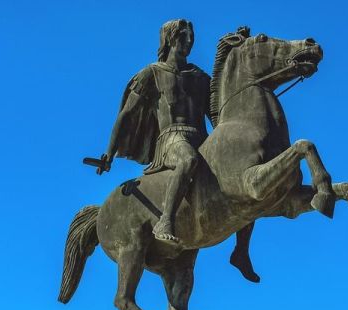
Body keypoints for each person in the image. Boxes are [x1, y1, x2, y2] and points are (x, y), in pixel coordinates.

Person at [99, 19, 259, 281]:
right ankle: (165, 221)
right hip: (172, 140)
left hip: (203, 139)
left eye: (191, 36)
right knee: (188, 160)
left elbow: (217, 112)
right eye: (183, 36)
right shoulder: (151, 74)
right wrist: (109, 153)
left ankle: (241, 251)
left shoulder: (199, 76)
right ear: (170, 40)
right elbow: (126, 115)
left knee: (243, 177)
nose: (189, 41)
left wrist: (232, 54)